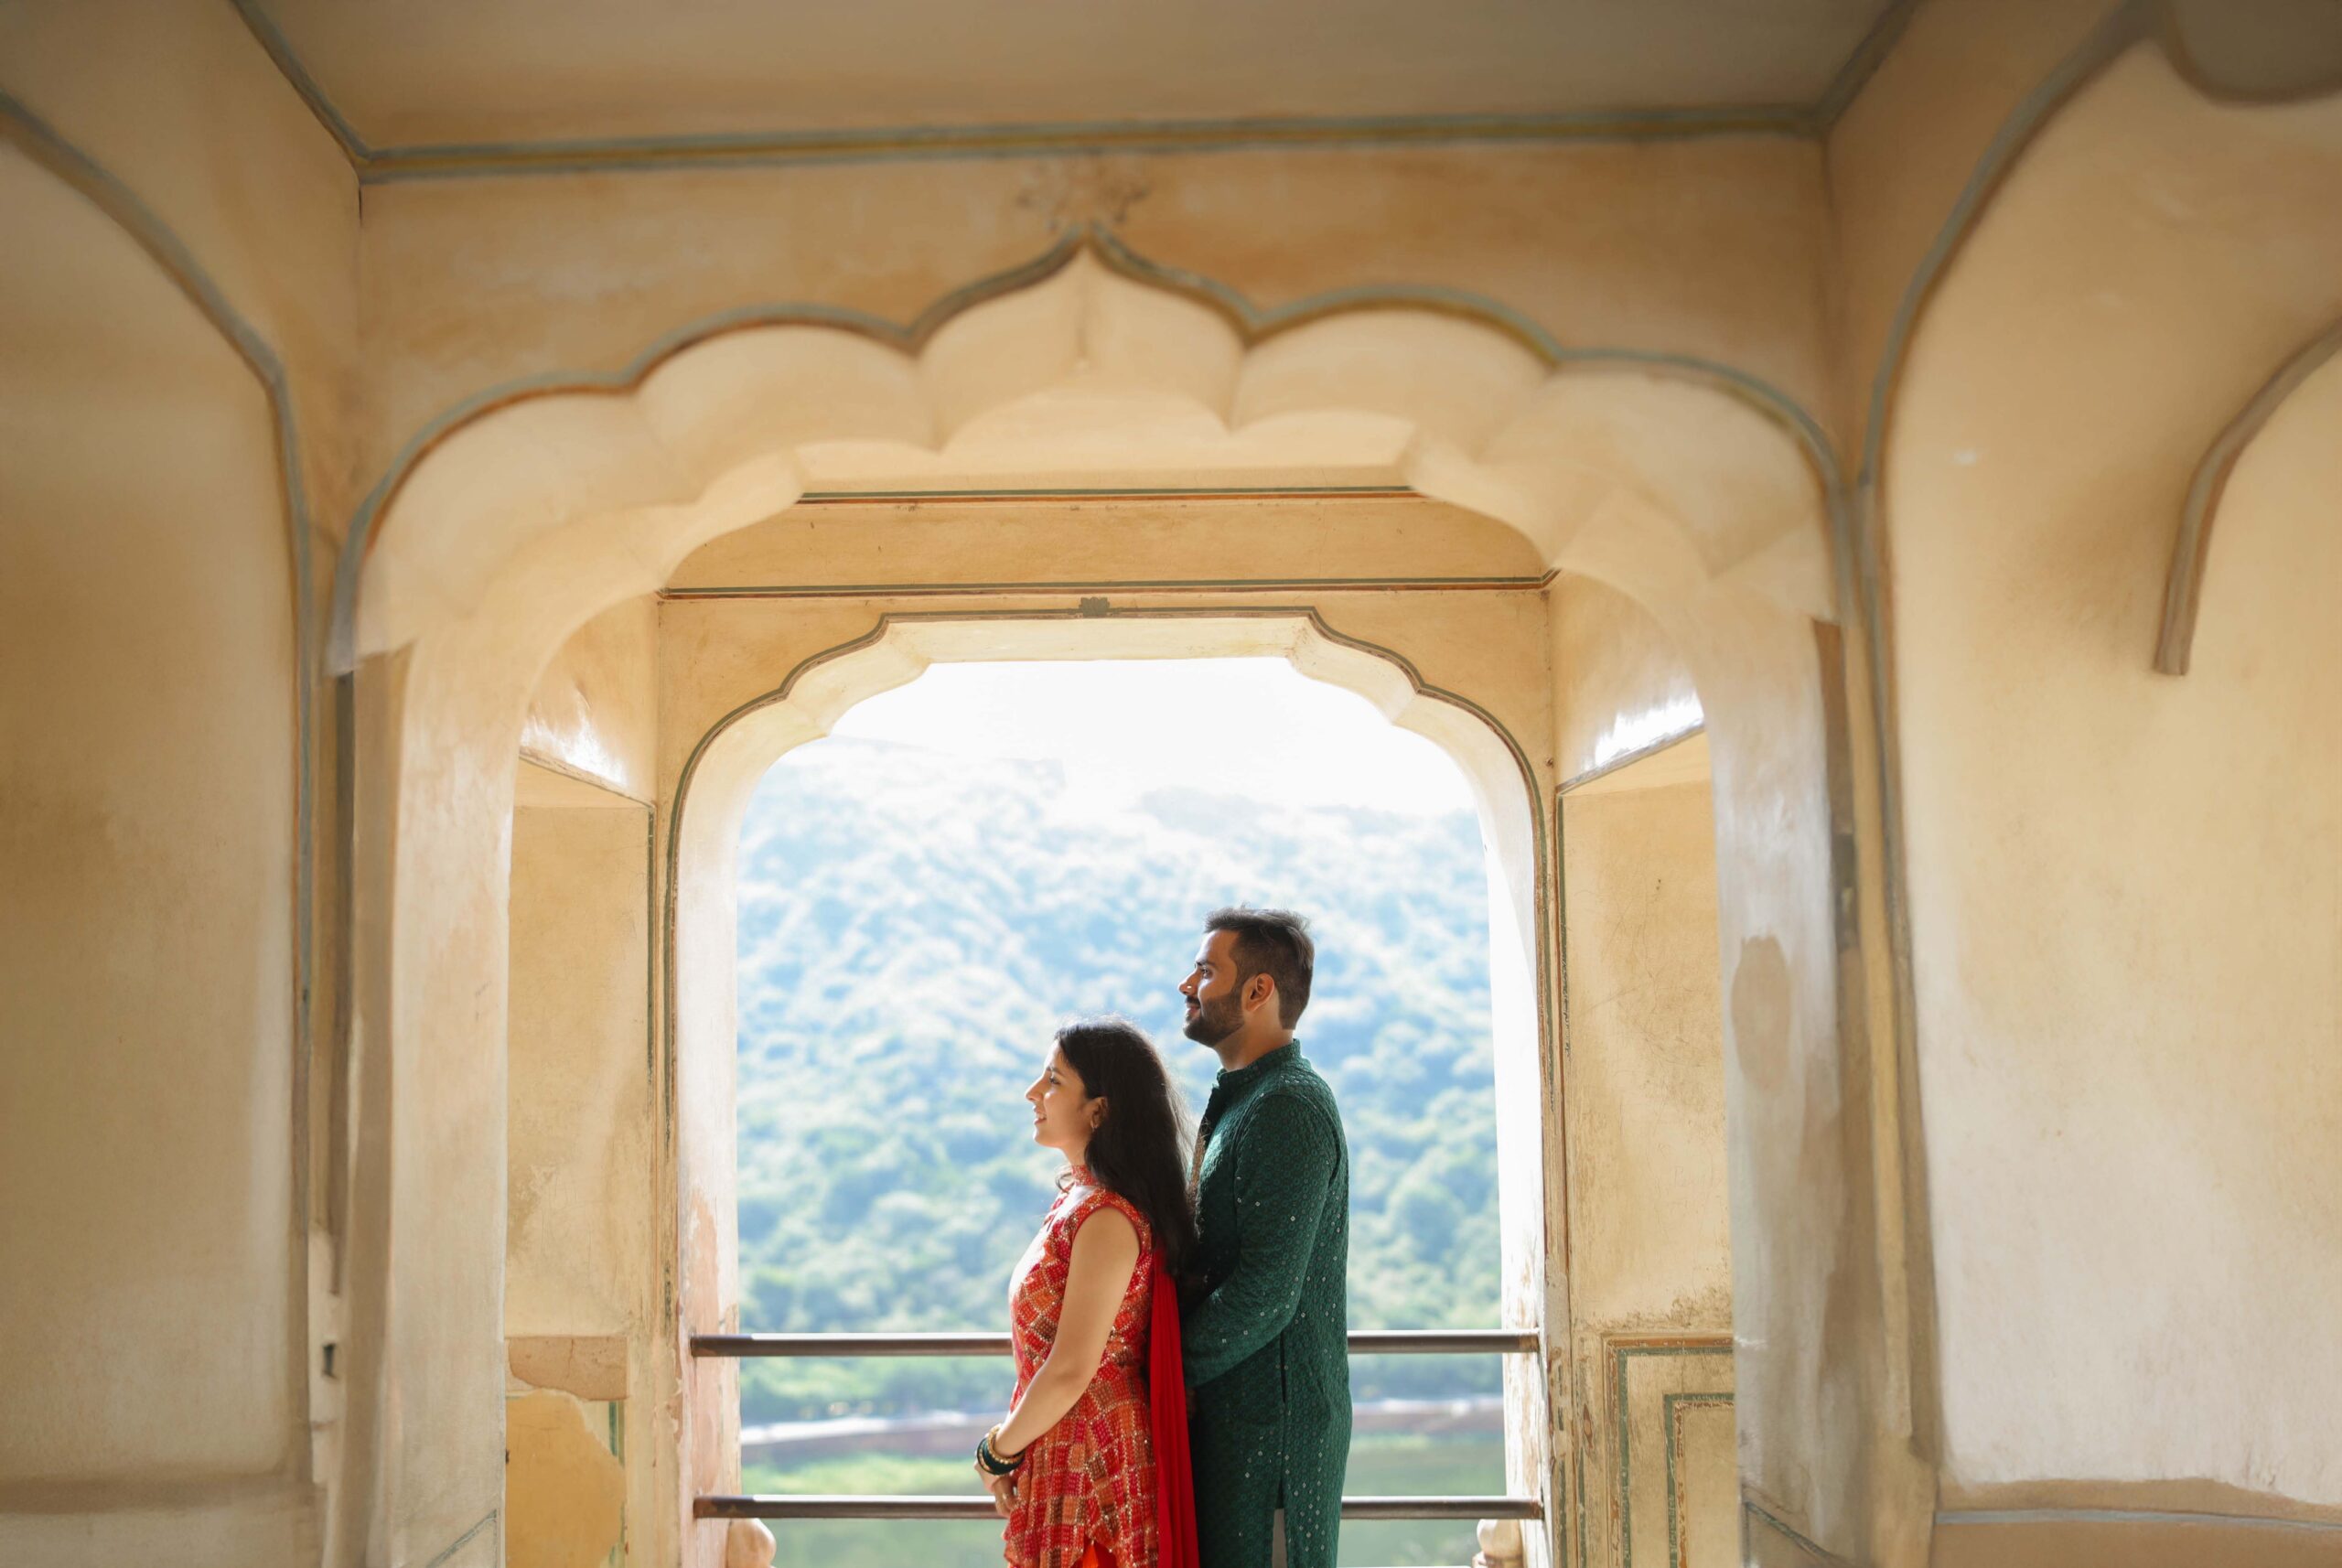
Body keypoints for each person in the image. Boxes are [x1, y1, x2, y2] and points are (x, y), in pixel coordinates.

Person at [977, 1017, 1201, 1568]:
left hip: (1093, 1456)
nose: (1033, 1092)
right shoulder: (1080, 1202)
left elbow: (1073, 1366)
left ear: (1098, 1110)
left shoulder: (1107, 1217)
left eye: (1053, 1080)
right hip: (1065, 1440)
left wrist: (998, 1451)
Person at [1176, 908, 1350, 1568]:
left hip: (1273, 1452)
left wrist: (1161, 1371)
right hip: (1238, 1435)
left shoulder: (1289, 1107)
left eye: (1205, 970)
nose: (1186, 985)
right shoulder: (1249, 1099)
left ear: (1258, 992)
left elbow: (1266, 1295)